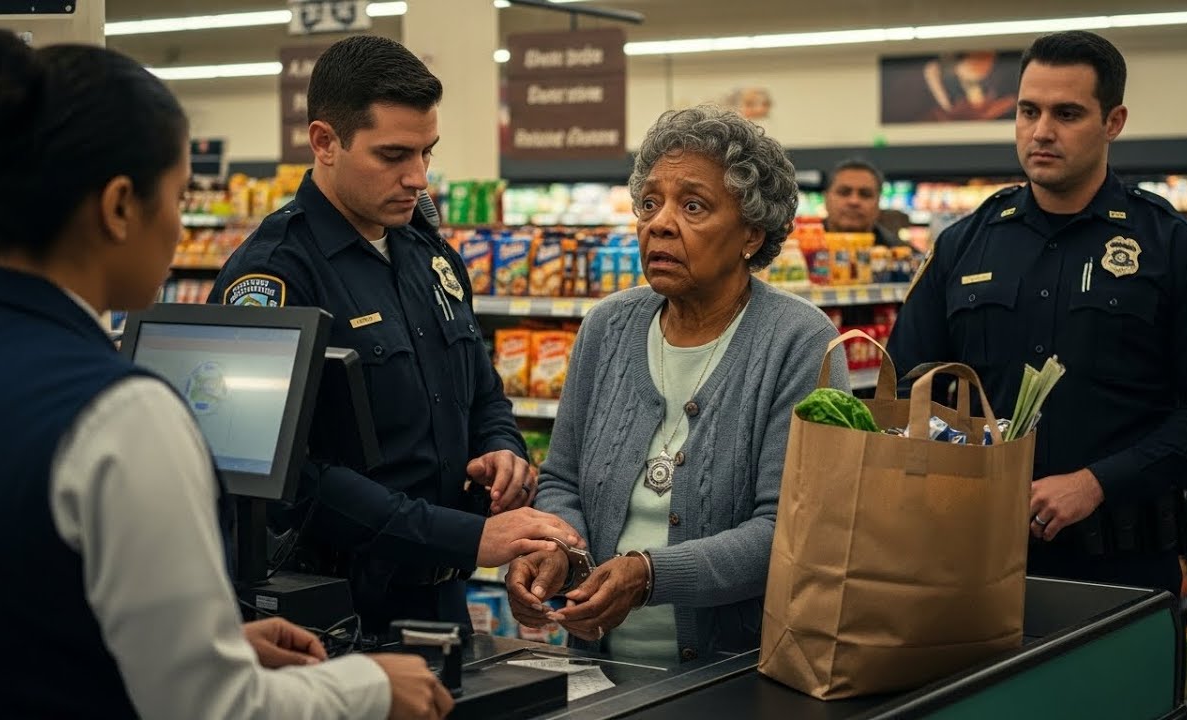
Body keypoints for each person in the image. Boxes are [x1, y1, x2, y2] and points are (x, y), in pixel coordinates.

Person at [0, 29, 450, 720]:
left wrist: (210, 639)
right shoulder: (122, 416)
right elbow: (210, 706)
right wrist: (372, 686)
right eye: (176, 195)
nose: (179, 228)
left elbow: (27, 610)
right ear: (118, 207)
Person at [207, 35, 581, 634]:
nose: (418, 178)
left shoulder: (427, 251)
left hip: (442, 602)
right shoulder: (273, 275)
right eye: (394, 155)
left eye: (427, 153)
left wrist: (502, 446)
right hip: (334, 615)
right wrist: (469, 535)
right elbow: (288, 481)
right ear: (324, 142)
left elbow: (483, 389)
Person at [886, 30, 1187, 597]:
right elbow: (911, 384)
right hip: (974, 555)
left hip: (1123, 565)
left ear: (1113, 122)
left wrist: (1098, 483)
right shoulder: (964, 245)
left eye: (1067, 113)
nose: (1041, 132)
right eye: (1028, 111)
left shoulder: (1173, 247)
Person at [505, 106, 848, 664]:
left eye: (693, 206)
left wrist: (649, 574)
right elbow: (562, 478)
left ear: (750, 233)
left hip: (738, 675)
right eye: (649, 203)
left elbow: (789, 527)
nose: (659, 223)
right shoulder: (606, 327)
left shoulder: (800, 341)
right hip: (601, 667)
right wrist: (561, 552)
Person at [823, 159, 914, 250]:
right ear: (826, 198)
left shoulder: (909, 258)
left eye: (865, 194)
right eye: (844, 192)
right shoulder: (808, 255)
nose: (854, 201)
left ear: (878, 201)